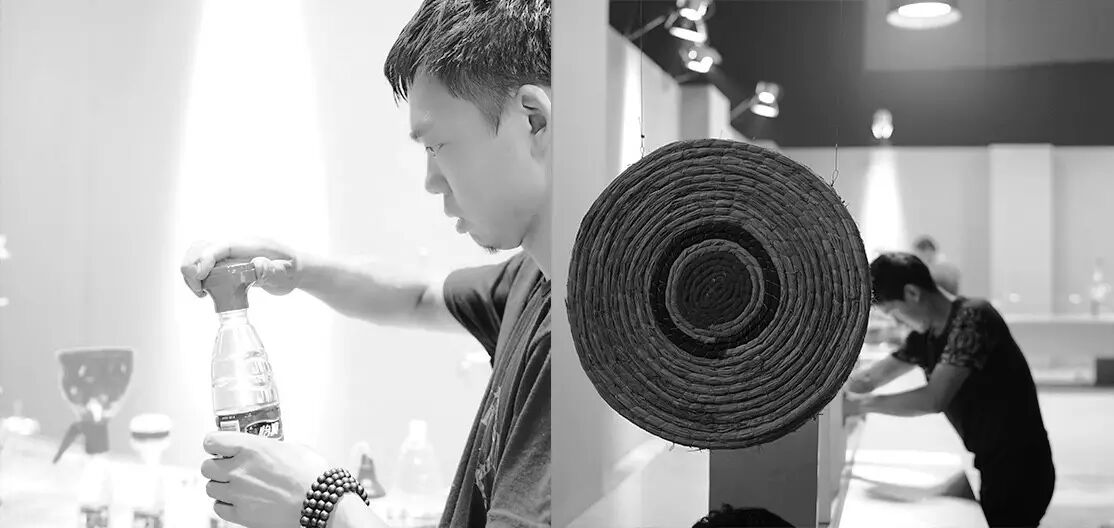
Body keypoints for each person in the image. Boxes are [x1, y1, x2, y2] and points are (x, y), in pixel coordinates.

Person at [180, 1, 552, 526]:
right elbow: (417, 298)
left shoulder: (581, 340)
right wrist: (297, 267)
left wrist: (320, 500)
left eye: (438, 145)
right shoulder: (537, 279)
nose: (431, 181)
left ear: (533, 119)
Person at [844, 252, 1055, 528]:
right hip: (990, 461)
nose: (897, 323)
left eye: (894, 313)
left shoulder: (973, 318)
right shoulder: (926, 337)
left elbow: (934, 398)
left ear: (912, 293)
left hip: (1022, 466)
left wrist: (860, 405)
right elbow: (871, 377)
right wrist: (829, 386)